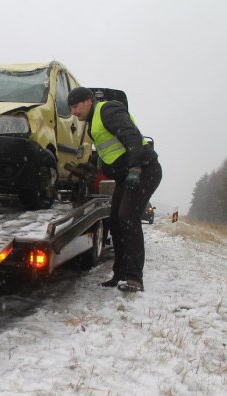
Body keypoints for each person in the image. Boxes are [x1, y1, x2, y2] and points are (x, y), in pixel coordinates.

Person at [67, 87, 162, 292]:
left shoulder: (107, 110)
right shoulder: (93, 122)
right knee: (116, 223)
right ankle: (120, 275)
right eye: (71, 108)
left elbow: (131, 136)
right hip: (125, 175)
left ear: (88, 101)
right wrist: (94, 168)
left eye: (76, 106)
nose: (73, 112)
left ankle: (134, 279)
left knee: (128, 217)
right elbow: (110, 151)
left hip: (144, 170)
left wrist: (136, 168)